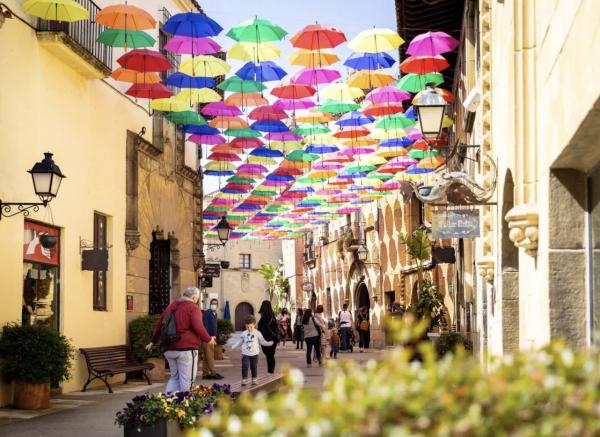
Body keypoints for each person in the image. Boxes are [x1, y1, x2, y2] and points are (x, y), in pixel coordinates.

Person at [148, 287, 215, 393]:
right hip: (186, 350)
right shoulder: (193, 307)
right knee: (187, 381)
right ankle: (186, 406)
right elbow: (198, 326)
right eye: (197, 298)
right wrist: (208, 339)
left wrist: (153, 341)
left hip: (169, 348)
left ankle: (168, 403)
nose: (197, 301)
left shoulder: (171, 306)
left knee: (174, 378)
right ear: (194, 297)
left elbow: (159, 324)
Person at [230, 315, 273, 386]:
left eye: (251, 327)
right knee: (245, 366)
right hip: (245, 353)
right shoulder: (244, 333)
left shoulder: (257, 333)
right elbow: (240, 342)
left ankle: (254, 379)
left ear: (254, 325)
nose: (249, 329)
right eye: (247, 327)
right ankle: (244, 379)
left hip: (255, 354)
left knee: (254, 366)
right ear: (245, 325)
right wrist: (233, 347)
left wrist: (268, 343)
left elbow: (262, 341)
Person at [202, 298, 223, 380]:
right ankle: (213, 373)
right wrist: (209, 337)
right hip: (208, 338)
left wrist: (215, 336)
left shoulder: (215, 313)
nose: (214, 305)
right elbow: (205, 326)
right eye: (213, 303)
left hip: (212, 337)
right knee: (210, 356)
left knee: (207, 357)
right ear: (210, 304)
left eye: (215, 303)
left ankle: (205, 373)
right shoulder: (207, 313)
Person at [257, 300, 279, 374]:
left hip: (266, 339)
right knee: (271, 355)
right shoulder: (272, 315)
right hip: (273, 339)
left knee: (269, 355)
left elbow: (262, 328)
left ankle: (270, 371)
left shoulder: (265, 316)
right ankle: (270, 371)